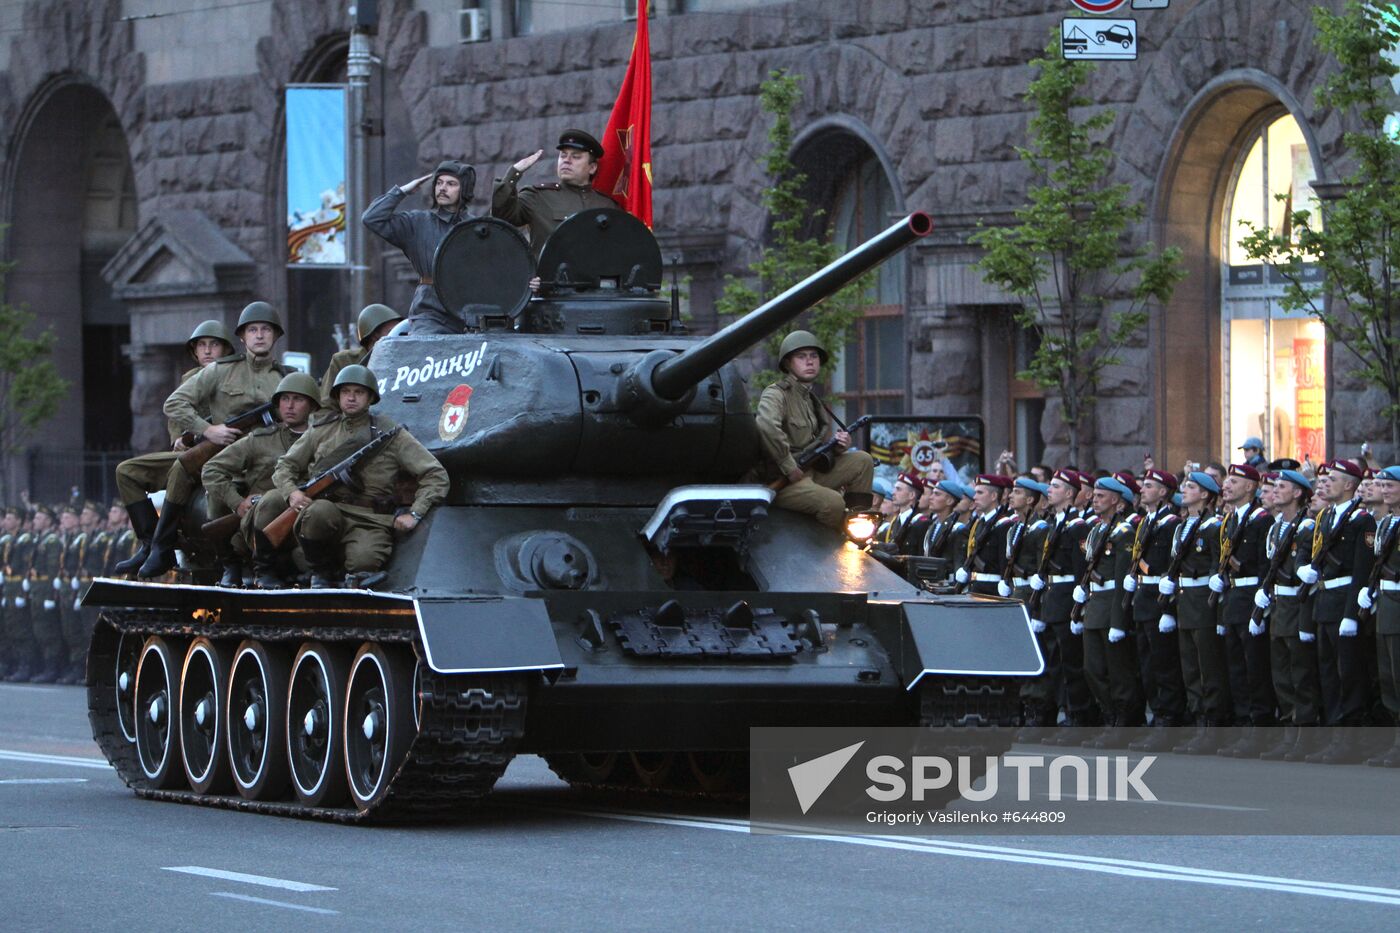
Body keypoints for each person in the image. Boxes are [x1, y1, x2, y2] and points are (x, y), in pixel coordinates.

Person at [134, 302, 288, 579]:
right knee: (208, 489)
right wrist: (207, 430)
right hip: (228, 452)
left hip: (271, 456)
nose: (260, 335)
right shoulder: (220, 370)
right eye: (253, 330)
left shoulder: (288, 378)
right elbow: (175, 403)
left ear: (276, 335)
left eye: (266, 329)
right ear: (242, 337)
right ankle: (172, 547)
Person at [266, 366, 449, 588]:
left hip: (370, 519)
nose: (351, 398)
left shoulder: (390, 434)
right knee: (317, 513)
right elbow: (285, 465)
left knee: (365, 561)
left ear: (371, 397)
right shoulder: (322, 430)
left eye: (359, 392)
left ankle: (343, 576)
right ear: (338, 396)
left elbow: (435, 474)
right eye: (346, 392)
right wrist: (292, 493)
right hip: (328, 512)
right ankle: (320, 573)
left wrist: (416, 513)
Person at [111, 320, 234, 573]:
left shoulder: (235, 378)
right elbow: (176, 416)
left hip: (225, 452)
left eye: (214, 345)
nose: (208, 351)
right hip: (190, 451)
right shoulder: (189, 379)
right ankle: (150, 544)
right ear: (194, 352)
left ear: (226, 350)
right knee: (126, 472)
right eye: (202, 346)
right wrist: (178, 438)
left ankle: (162, 544)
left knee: (182, 467)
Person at [202, 372, 322, 588]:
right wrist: (237, 503)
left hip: (305, 523)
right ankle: (261, 571)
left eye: (298, 399)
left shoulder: (325, 439)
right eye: (285, 399)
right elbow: (212, 470)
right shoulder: (260, 440)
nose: (290, 406)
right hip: (261, 525)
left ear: (312, 405)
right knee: (274, 499)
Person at [748, 331, 874, 530]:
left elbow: (810, 445)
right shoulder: (776, 394)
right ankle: (830, 550)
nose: (809, 362)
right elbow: (767, 426)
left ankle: (857, 530)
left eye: (813, 356)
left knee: (863, 461)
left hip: (810, 470)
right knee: (832, 502)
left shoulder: (811, 399)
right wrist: (788, 466)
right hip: (783, 480)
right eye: (801, 357)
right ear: (788, 364)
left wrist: (838, 447)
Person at [1300, 458, 1376, 763]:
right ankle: (1333, 732)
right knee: (1328, 674)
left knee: (1349, 675)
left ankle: (1350, 737)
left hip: (1344, 601)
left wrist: (1350, 614)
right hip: (1324, 602)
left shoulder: (1361, 520)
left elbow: (1362, 569)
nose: (1324, 482)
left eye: (1333, 478)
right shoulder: (1326, 517)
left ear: (1349, 485)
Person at [1157, 471, 1232, 754]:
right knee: (1190, 666)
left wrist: (1216, 579)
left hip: (1204, 601)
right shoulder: (1182, 527)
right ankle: (1198, 717)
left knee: (1208, 665)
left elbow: (1218, 561)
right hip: (1184, 600)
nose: (1185, 490)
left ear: (1205, 495)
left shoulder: (1214, 526)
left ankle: (1213, 723)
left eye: (1191, 487)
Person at [1255, 469, 1324, 761]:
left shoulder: (1307, 527)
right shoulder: (1276, 527)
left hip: (1297, 605)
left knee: (1301, 672)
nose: (1274, 491)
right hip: (1280, 606)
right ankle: (1288, 726)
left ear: (1297, 493)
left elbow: (1303, 571)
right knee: (1281, 672)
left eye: (1281, 486)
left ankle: (1304, 731)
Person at [363, 159, 476, 333]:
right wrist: (401, 192)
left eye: (451, 184)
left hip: (470, 314)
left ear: (464, 189)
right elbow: (372, 218)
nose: (442, 188)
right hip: (430, 314)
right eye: (439, 183)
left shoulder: (476, 227)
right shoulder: (417, 223)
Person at [1211, 464, 1277, 757]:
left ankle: (1259, 726)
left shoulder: (1261, 520)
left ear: (1251, 487)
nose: (1226, 486)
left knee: (1255, 668)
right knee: (1236, 668)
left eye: (1234, 481)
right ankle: (1242, 723)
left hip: (1252, 597)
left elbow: (1266, 564)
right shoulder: (1230, 520)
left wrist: (1261, 605)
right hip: (1233, 597)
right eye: (1226, 481)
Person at [1073, 476, 1143, 746]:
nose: (1094, 499)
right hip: (1094, 606)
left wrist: (1118, 621)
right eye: (1094, 495)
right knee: (1092, 669)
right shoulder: (1096, 530)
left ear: (1116, 500)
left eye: (1101, 496)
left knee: (1118, 671)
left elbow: (1121, 579)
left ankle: (1123, 723)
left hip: (1111, 606)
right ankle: (1109, 715)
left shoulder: (1123, 532)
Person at [1125, 469, 1189, 751]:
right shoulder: (1147, 522)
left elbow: (1170, 564)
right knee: (1148, 665)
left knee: (1164, 666)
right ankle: (1157, 715)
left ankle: (1169, 719)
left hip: (1159, 600)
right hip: (1143, 598)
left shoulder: (1171, 523)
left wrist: (1168, 608)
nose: (1143, 490)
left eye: (1149, 486)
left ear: (1164, 492)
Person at [1032, 469, 1098, 740]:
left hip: (1066, 598)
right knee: (1055, 663)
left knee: (1071, 662)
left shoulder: (1078, 526)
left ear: (1070, 493)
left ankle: (1078, 716)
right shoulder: (1056, 522)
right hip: (1051, 597)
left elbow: (1081, 566)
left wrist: (1078, 601)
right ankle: (1061, 712)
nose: (1050, 490)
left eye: (1056, 486)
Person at [492, 130, 618, 259]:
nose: (567, 161)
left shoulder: (607, 205)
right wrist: (514, 173)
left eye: (576, 157)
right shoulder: (538, 196)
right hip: (550, 278)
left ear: (592, 167)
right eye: (563, 156)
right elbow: (502, 217)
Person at [1363, 465, 1400, 767]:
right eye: (1382, 486)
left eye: (1390, 486)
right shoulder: (1386, 523)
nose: (1385, 490)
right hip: (1386, 603)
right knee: (1388, 676)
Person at [321, 304, 404, 408]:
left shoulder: (406, 362)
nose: (400, 335)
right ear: (374, 335)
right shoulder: (344, 361)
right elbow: (326, 408)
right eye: (392, 331)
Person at [954, 473, 1014, 595]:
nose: (975, 497)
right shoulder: (979, 523)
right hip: (975, 587)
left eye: (980, 493)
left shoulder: (1004, 524)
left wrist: (1005, 581)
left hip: (992, 590)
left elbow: (1005, 561)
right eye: (975, 492)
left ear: (993, 496)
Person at [27, 505, 64, 683]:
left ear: (48, 521)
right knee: (39, 629)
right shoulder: (39, 539)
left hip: (45, 589)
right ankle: (44, 666)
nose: (35, 521)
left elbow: (52, 569)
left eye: (39, 518)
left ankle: (52, 668)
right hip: (37, 588)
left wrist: (50, 595)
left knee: (48, 630)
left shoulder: (51, 541)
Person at [0, 507, 20, 680]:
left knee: (20, 629)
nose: (6, 521)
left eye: (9, 517)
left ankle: (23, 664)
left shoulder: (24, 539)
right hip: (7, 589)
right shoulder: (6, 540)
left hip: (16, 589)